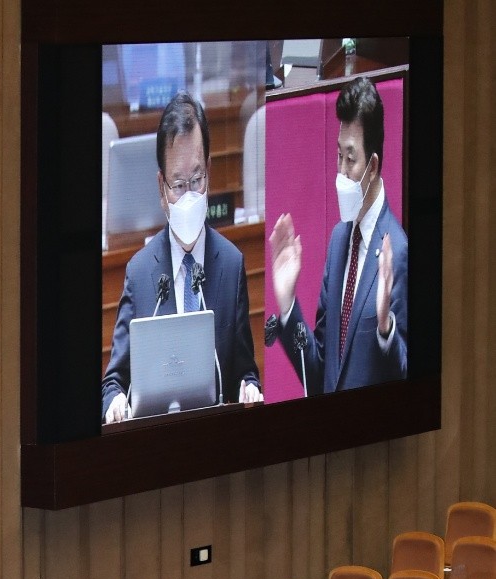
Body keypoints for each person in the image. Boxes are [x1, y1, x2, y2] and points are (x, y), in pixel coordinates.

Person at [102, 91, 261, 424]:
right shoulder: (140, 272)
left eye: (197, 179)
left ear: (210, 173)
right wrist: (115, 400)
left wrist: (249, 386)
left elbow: (245, 370)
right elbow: (114, 382)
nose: (189, 193)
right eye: (178, 183)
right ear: (161, 188)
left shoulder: (231, 265)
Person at [269, 76, 407, 395]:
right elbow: (320, 375)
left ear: (372, 166)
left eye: (351, 158)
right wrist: (288, 303)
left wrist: (386, 327)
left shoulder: (397, 252)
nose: (341, 172)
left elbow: (408, 381)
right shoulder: (339, 241)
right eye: (338, 156)